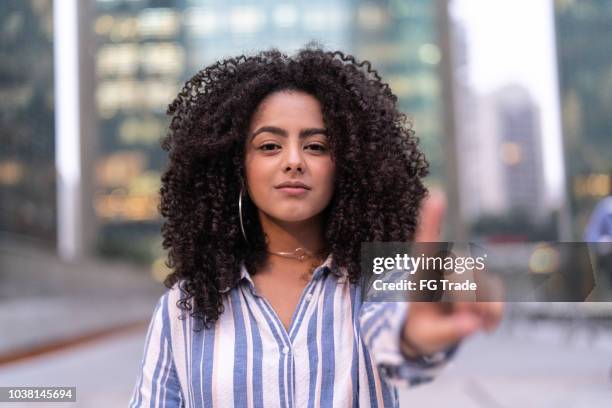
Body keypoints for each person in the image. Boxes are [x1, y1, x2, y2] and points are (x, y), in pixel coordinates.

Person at [129, 47, 503, 407]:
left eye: (317, 147)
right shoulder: (184, 306)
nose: (294, 161)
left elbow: (409, 322)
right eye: (270, 146)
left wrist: (429, 319)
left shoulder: (379, 281)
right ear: (237, 166)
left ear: (348, 165)